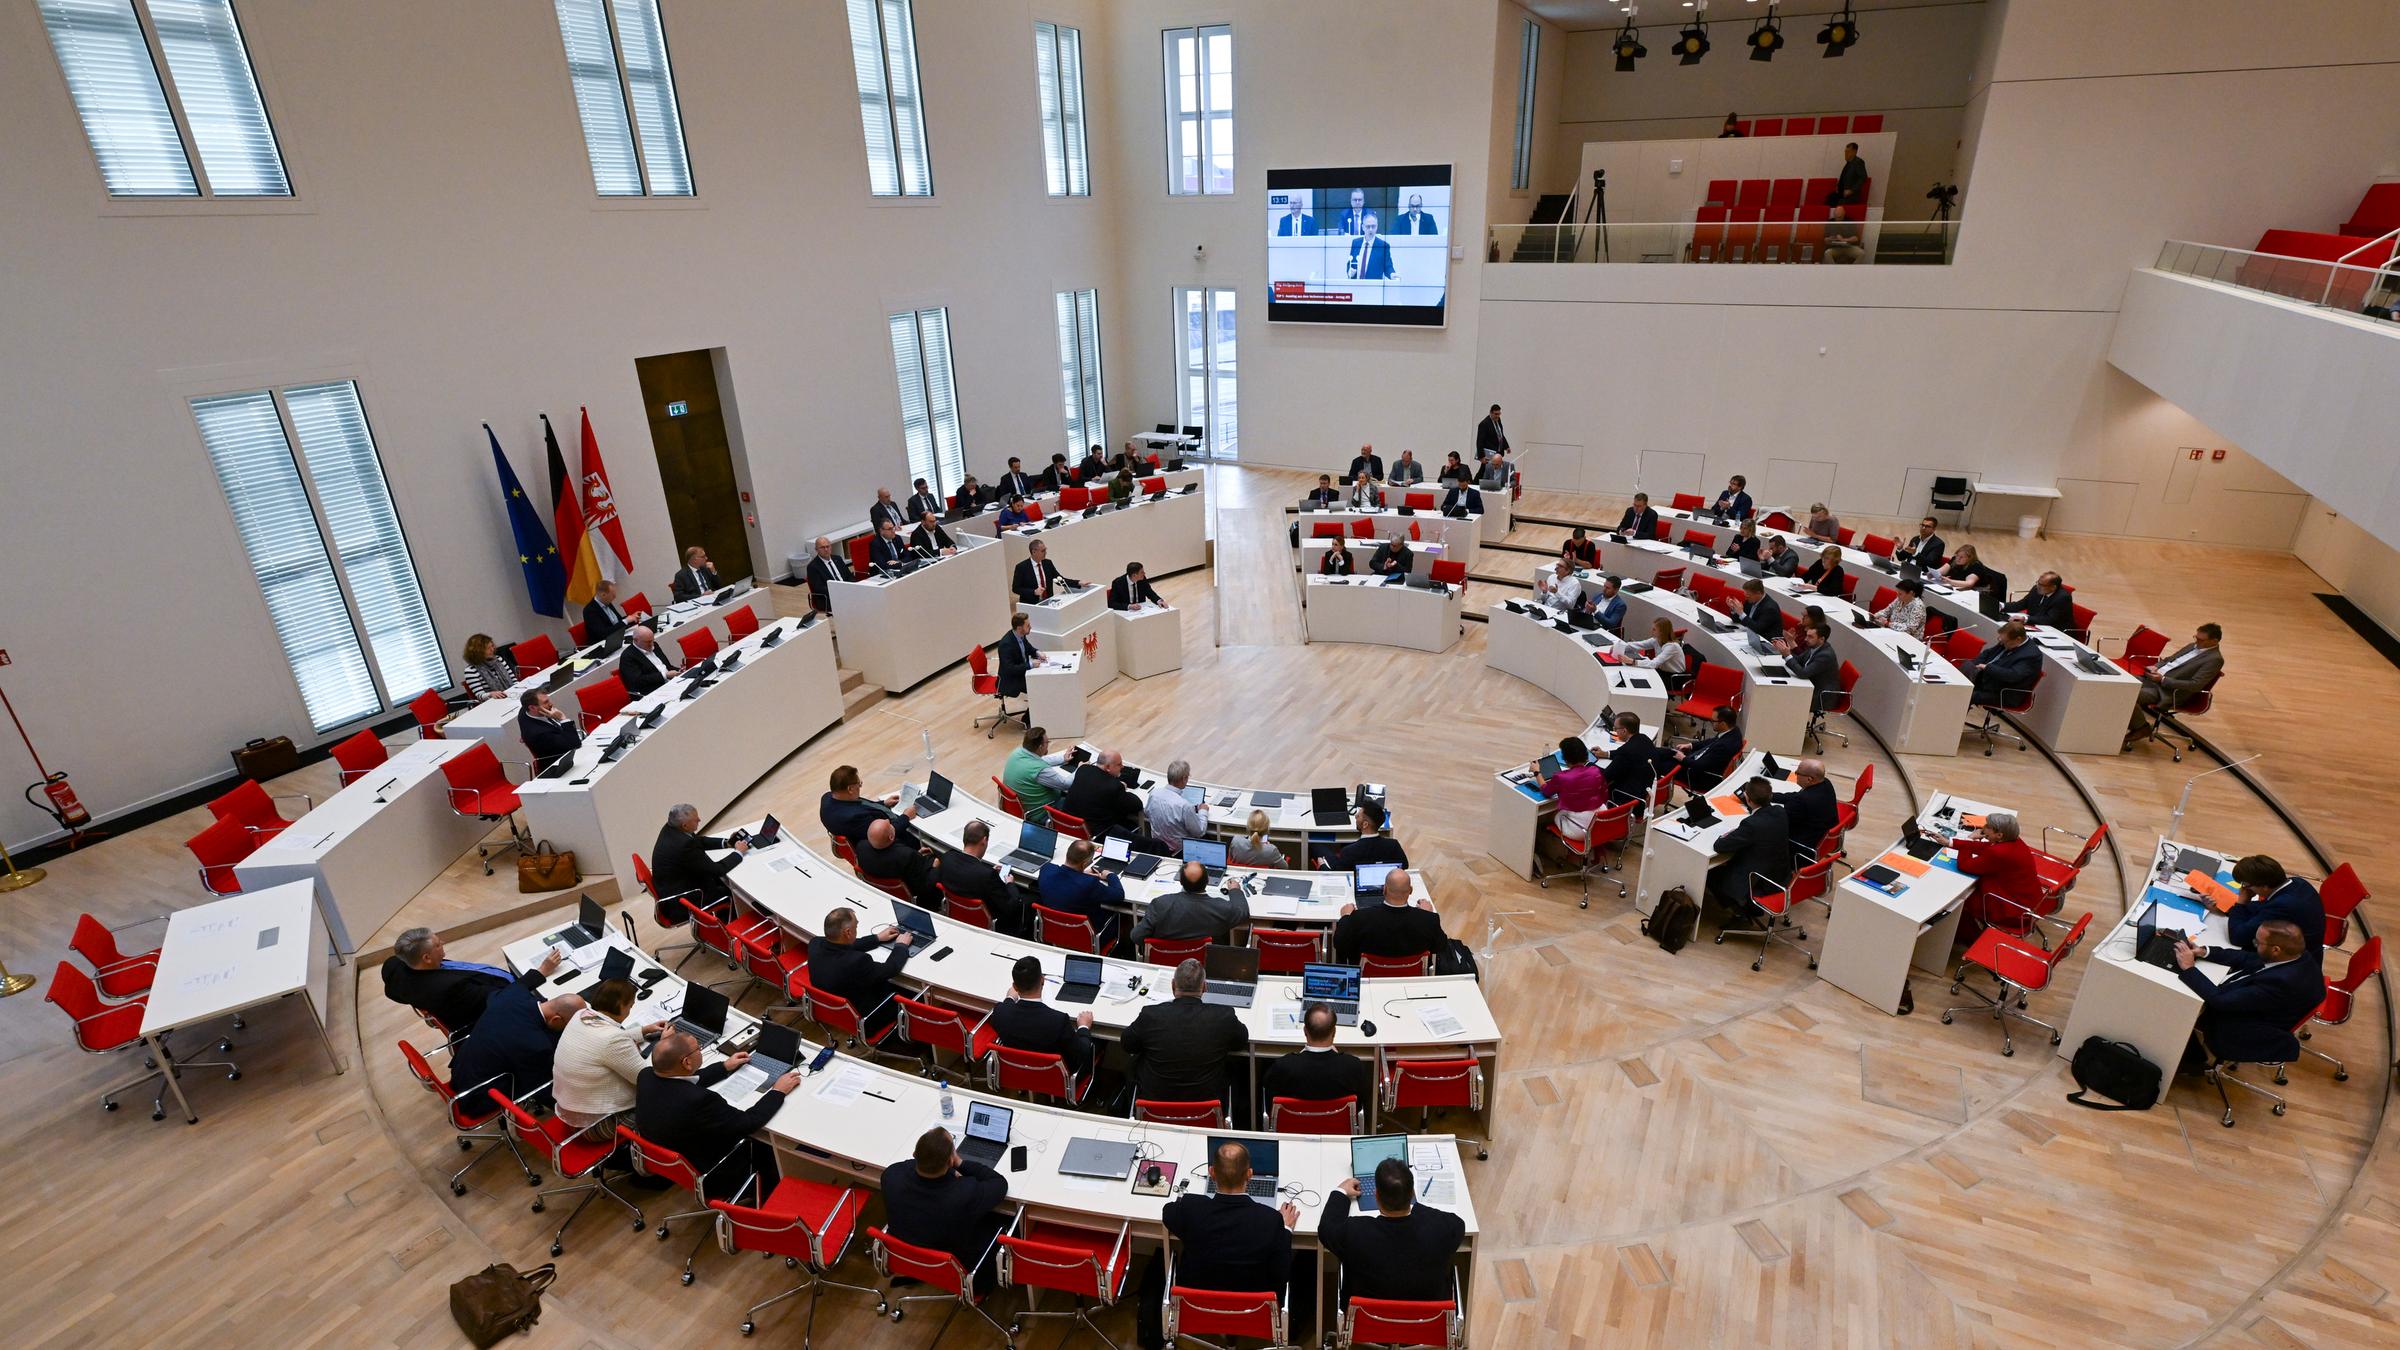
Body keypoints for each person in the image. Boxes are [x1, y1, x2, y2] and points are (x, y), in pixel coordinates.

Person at [1136, 1141, 1299, 1350]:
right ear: (1249, 1174)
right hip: (1252, 1310)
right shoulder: (1270, 1220)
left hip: (1197, 1306)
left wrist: (1185, 1201)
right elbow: (1281, 1275)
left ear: (1211, 1172)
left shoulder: (1191, 1209)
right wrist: (1286, 1229)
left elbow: (1168, 1212)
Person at [635, 1030, 800, 1201]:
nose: (700, 1050)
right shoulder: (699, 1100)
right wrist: (778, 1091)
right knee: (768, 1142)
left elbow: (683, 1081)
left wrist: (724, 1067)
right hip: (717, 1170)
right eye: (698, 1049)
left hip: (676, 1164)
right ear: (686, 1062)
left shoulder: (646, 1076)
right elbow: (749, 1122)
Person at [2170, 919, 2325, 1074]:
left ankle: (2191, 1060)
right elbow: (2246, 957)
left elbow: (2221, 1001)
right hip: (2255, 1009)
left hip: (2239, 1030)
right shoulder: (2296, 955)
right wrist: (2204, 952)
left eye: (2258, 943)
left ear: (2275, 950)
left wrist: (2189, 968)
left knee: (2178, 1006)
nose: (2255, 945)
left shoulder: (2282, 982)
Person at [1321, 1157, 1467, 1308]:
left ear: (1376, 1196)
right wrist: (1418, 1209)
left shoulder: (1355, 1233)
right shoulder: (1441, 1230)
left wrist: (1340, 1192)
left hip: (1369, 1321)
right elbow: (1458, 1224)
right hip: (1426, 1321)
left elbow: (1326, 1228)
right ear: (1412, 1194)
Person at [882, 1126, 1011, 1293]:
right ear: (950, 1162)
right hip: (957, 1267)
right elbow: (999, 1183)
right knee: (1005, 1220)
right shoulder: (963, 1193)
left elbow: (909, 1167)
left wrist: (945, 1168)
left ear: (914, 1154)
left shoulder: (891, 1175)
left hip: (909, 1258)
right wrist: (960, 1163)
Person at [1122, 958, 1246, 1108]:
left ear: (1173, 985)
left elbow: (1127, 1044)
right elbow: (1241, 1041)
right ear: (1205, 987)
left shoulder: (1151, 1015)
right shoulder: (1223, 1016)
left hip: (1154, 1108)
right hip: (1207, 1109)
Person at [553, 975, 669, 1132]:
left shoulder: (580, 1016)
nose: (629, 1011)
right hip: (595, 1126)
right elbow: (647, 1079)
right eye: (630, 1006)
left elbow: (602, 1039)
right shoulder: (612, 1040)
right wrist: (664, 1044)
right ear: (621, 1005)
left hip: (570, 1111)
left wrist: (643, 1031)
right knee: (668, 1099)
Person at [382, 927, 553, 1033]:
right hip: (497, 1015)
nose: (443, 942)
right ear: (426, 958)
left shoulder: (393, 965)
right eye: (438, 945)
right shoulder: (450, 988)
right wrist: (541, 972)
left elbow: (392, 993)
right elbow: (502, 999)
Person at [449, 976, 579, 1110]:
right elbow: (539, 1089)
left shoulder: (511, 995)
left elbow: (507, 991)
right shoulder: (535, 1045)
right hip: (477, 1096)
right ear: (556, 1019)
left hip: (461, 1069)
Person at [809, 905, 914, 1034]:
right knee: (912, 993)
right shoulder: (857, 961)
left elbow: (841, 946)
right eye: (856, 925)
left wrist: (877, 938)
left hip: (835, 1011)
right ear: (848, 932)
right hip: (869, 1018)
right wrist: (901, 946)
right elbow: (890, 969)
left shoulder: (815, 944)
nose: (857, 927)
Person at [1259, 1003, 1373, 1117]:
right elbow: (1363, 1099)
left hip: (1293, 1125)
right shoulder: (1353, 1067)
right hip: (1337, 1126)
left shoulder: (1283, 1067)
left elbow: (1268, 1092)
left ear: (1305, 1031)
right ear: (1334, 1032)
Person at [989, 955, 1095, 1075]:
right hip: (1054, 1078)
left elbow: (1006, 1009)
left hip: (1015, 1073)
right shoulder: (1058, 1021)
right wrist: (1083, 1027)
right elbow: (1081, 1054)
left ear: (1014, 987)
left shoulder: (1000, 1012)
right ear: (1042, 980)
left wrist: (1009, 998)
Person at [2211, 855, 2325, 966]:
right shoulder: (2297, 882)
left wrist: (2241, 902)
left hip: (2295, 965)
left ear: (2264, 886)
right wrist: (2228, 909)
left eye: (2246, 885)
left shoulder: (2283, 905)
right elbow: (2263, 907)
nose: (2244, 889)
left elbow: (2237, 937)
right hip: (2308, 949)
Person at [1706, 778, 1792, 925]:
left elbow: (1719, 846)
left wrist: (1731, 834)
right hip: (1780, 875)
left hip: (1758, 880)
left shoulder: (1751, 824)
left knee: (1711, 874)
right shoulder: (1780, 811)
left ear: (1748, 799)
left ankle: (1742, 911)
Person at [1950, 811, 2043, 936]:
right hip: (2028, 903)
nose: (1983, 829)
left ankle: (1970, 936)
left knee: (1959, 900)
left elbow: (1965, 865)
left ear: (1999, 835)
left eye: (1988, 827)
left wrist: (1968, 839)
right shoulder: (2014, 841)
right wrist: (1952, 843)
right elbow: (1987, 847)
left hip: (2012, 913)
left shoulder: (1999, 853)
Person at [2128, 624, 2226, 742]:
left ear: (2214, 641)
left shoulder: (2214, 659)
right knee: (2117, 684)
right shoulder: (2192, 646)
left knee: (2128, 695)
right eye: (2196, 637)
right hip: (2151, 679)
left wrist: (2163, 680)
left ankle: (2141, 728)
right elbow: (2169, 660)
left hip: (2167, 691)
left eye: (2201, 640)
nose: (2196, 641)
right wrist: (2156, 666)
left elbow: (2195, 685)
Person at [1332, 867, 1444, 964]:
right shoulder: (1429, 920)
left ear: (1384, 889)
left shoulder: (1359, 918)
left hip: (1369, 977)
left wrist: (1346, 917)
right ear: (1410, 890)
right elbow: (1440, 946)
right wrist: (1427, 914)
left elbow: (1339, 943)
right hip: (1411, 977)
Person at [653, 802, 749, 913]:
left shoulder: (672, 828)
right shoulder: (684, 845)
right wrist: (738, 853)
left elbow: (698, 841)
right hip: (686, 900)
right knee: (737, 892)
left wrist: (728, 842)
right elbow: (717, 870)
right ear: (685, 826)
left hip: (674, 886)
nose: (699, 819)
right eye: (695, 819)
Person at [938, 819, 1029, 934]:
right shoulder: (987, 875)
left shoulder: (947, 858)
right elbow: (1010, 907)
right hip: (988, 924)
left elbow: (969, 874)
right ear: (984, 840)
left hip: (956, 916)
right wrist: (1010, 884)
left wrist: (988, 871)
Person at [1131, 860, 1251, 948]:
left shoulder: (1160, 904)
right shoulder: (1221, 908)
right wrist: (1235, 890)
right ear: (1207, 881)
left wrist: (1161, 946)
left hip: (1164, 963)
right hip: (1202, 965)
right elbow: (1242, 912)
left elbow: (1136, 936)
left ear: (1181, 881)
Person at [1036, 840, 1126, 947]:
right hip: (1087, 938)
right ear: (1084, 863)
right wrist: (1111, 875)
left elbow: (1066, 883)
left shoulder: (1046, 870)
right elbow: (1118, 895)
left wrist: (1081, 874)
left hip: (1053, 931)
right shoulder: (1089, 884)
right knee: (1123, 917)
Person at [1532, 735, 1608, 848]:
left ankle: (1547, 846)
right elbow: (1604, 794)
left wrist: (1537, 772)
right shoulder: (1595, 771)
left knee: (1550, 816)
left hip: (1580, 829)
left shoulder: (1561, 777)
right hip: (1601, 822)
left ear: (1565, 758)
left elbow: (1546, 791)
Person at [818, 763, 909, 847]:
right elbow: (884, 834)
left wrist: (883, 803)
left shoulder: (827, 798)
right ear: (850, 789)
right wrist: (906, 816)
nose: (860, 787)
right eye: (859, 784)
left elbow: (861, 805)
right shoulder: (854, 817)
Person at [858, 816, 941, 905]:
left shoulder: (861, 847)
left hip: (883, 892)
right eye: (890, 825)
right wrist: (934, 865)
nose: (888, 820)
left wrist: (917, 855)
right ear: (891, 837)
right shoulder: (906, 855)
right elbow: (923, 884)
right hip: (915, 895)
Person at [1062, 749, 1146, 836]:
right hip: (1096, 833)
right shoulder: (1114, 786)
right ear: (1108, 767)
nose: (1122, 767)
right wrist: (1122, 788)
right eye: (1119, 764)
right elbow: (1137, 805)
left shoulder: (1083, 769)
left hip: (1068, 824)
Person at [1959, 620, 2042, 708]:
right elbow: (1987, 653)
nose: (2001, 643)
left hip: (2004, 693)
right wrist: (1974, 664)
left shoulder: (2031, 655)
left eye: (2005, 641)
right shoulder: (2007, 641)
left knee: (1966, 694)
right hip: (1988, 682)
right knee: (1959, 684)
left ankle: (1955, 715)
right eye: (2000, 639)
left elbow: (2012, 675)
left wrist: (1987, 667)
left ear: (2018, 639)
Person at [1666, 705, 1743, 792]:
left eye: (1713, 721)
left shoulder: (1724, 746)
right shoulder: (1733, 731)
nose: (1711, 722)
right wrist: (1690, 745)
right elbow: (1712, 741)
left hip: (1698, 776)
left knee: (1661, 763)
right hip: (1698, 761)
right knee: (1666, 753)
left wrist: (1683, 758)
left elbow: (1699, 766)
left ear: (1723, 724)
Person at [1001, 725, 1075, 814]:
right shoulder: (1040, 770)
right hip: (1041, 812)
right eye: (1047, 742)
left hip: (1020, 805)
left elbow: (1038, 760)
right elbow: (1066, 784)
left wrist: (1063, 758)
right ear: (1040, 747)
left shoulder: (1017, 753)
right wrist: (1081, 769)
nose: (1048, 745)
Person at [1144, 760, 1209, 853]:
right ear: (1184, 778)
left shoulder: (1154, 794)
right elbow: (1199, 832)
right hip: (1180, 851)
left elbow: (1147, 813)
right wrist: (1203, 811)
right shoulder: (1184, 806)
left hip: (1158, 847)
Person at [1781, 759, 1840, 861]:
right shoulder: (1826, 783)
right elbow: (1796, 797)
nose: (1795, 773)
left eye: (1797, 773)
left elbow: (1780, 822)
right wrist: (1771, 796)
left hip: (1800, 847)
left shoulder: (1802, 801)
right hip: (1820, 835)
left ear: (1809, 779)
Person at [517, 688, 582, 772]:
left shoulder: (524, 711)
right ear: (532, 708)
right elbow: (575, 744)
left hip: (562, 744)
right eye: (546, 702)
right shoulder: (540, 733)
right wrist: (563, 719)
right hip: (559, 765)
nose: (551, 704)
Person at [1600, 711, 1656, 807]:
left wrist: (1590, 765)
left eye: (1615, 728)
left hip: (1629, 796)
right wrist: (1606, 754)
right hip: (1645, 788)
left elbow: (1606, 775)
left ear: (1624, 731)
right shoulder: (1644, 739)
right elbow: (1626, 752)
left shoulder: (1626, 751)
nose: (1614, 730)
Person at [1335, 806, 1408, 870]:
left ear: (1365, 824)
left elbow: (1340, 872)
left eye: (1359, 816)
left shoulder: (1348, 851)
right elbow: (1404, 865)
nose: (1355, 816)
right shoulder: (1393, 845)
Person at [1615, 616, 1687, 680]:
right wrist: (1619, 646)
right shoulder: (1656, 640)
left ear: (1662, 632)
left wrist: (1632, 661)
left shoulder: (1672, 647)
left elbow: (1654, 663)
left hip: (1673, 678)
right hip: (1662, 671)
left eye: (1654, 629)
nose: (1651, 631)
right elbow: (1638, 645)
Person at [617, 624, 677, 697]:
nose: (651, 644)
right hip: (652, 691)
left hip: (671, 683)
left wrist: (679, 671)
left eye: (652, 640)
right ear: (636, 640)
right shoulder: (628, 656)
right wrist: (665, 675)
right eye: (648, 642)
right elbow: (638, 681)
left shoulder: (654, 645)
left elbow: (667, 666)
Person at [1012, 538, 1077, 604]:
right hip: (1031, 603)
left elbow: (1059, 580)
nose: (1046, 553)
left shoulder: (1048, 563)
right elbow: (1016, 588)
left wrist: (1078, 583)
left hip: (1048, 602)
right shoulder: (1022, 567)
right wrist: (1034, 592)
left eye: (1045, 550)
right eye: (1043, 551)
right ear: (1034, 552)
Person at [2007, 571, 2075, 630]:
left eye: (2041, 585)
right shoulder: (2037, 589)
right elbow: (2021, 604)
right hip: (2038, 625)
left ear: (2053, 587)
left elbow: (2049, 619)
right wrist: (2002, 606)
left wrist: (2025, 619)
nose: (2037, 586)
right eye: (2038, 582)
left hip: (2057, 631)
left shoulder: (2062, 597)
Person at [803, 536, 853, 613]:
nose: (826, 549)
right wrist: (839, 590)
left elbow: (849, 576)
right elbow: (819, 588)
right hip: (829, 597)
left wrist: (852, 587)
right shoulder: (813, 567)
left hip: (846, 591)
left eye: (827, 546)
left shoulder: (838, 559)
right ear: (816, 549)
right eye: (822, 547)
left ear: (831, 547)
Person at [461, 634, 516, 700]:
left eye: (492, 646)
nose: (492, 649)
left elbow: (513, 679)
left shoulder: (499, 659)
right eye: (487, 648)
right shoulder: (470, 671)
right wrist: (490, 694)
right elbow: (479, 695)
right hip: (494, 701)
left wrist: (518, 687)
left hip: (511, 695)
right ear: (477, 651)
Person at [582, 579, 632, 645]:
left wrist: (631, 618)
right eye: (613, 595)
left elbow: (618, 621)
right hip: (603, 644)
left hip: (618, 637)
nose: (615, 597)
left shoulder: (606, 601)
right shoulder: (590, 610)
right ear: (603, 595)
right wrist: (626, 621)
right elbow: (604, 633)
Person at [1348, 213, 1395, 279]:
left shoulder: (1383, 246)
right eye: (1368, 226)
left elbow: (1388, 266)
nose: (1371, 229)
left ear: (1377, 227)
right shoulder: (1355, 243)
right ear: (1363, 227)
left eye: (1373, 226)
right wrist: (1349, 271)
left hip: (1374, 284)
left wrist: (1392, 274)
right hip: (1356, 283)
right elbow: (1350, 262)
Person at [1832, 141, 1867, 205]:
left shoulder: (1858, 162)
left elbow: (1863, 177)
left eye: (1848, 152)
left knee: (1836, 203)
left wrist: (1851, 190)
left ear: (1854, 152)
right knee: (1830, 199)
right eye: (1845, 152)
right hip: (1842, 194)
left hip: (1851, 196)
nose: (1845, 154)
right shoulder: (1848, 163)